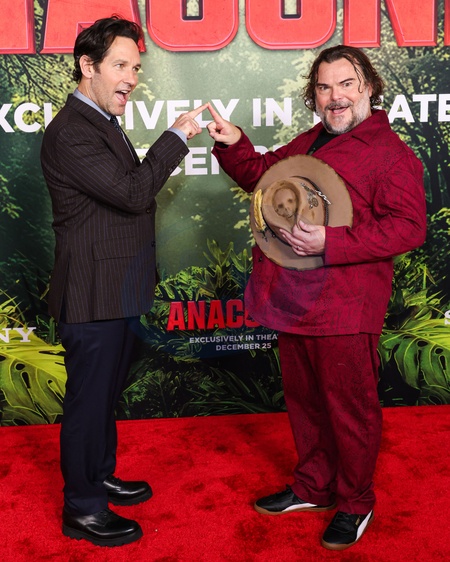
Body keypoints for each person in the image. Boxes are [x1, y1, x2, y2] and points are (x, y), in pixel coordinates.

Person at [207, 45, 427, 551]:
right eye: (325, 87)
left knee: (350, 410)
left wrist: (332, 242)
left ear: (368, 87)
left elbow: (409, 228)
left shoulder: (391, 154)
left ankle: (355, 502)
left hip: (346, 306)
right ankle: (313, 487)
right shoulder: (312, 139)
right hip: (294, 298)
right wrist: (234, 142)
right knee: (305, 403)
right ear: (315, 95)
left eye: (346, 84)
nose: (335, 97)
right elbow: (260, 176)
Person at [40, 16, 208, 547]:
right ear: (87, 66)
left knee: (106, 395)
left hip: (116, 287)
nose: (131, 78)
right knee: (88, 404)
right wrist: (175, 136)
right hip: (92, 294)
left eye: (135, 67)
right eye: (120, 65)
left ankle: (99, 474)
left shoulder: (101, 121)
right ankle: (83, 508)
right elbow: (134, 193)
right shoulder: (72, 130)